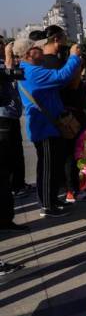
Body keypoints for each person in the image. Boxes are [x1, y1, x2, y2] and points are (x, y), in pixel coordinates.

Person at [15, 38, 82, 218]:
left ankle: (52, 199)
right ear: (29, 53)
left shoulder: (30, 69)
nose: (42, 49)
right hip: (44, 127)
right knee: (47, 168)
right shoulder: (32, 72)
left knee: (53, 165)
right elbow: (61, 77)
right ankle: (46, 205)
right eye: (37, 47)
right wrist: (74, 57)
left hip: (49, 125)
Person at [40, 25, 86, 204]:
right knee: (72, 152)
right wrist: (75, 62)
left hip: (55, 115)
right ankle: (73, 190)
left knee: (63, 154)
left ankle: (67, 189)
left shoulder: (41, 62)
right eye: (63, 39)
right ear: (56, 39)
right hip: (68, 114)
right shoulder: (55, 63)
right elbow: (71, 84)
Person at [0, 40, 29, 232]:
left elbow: (13, 77)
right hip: (2, 120)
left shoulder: (3, 65)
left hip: (10, 117)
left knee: (11, 162)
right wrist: (8, 57)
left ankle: (6, 219)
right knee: (5, 167)